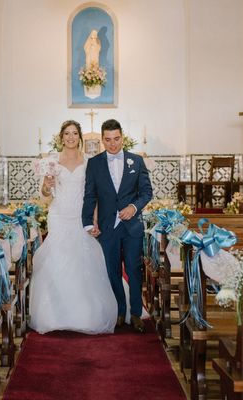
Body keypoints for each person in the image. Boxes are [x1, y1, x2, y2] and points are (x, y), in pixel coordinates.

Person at [29, 120, 118, 334]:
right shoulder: (51, 162)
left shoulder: (89, 161)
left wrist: (94, 219)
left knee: (83, 258)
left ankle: (86, 313)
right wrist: (46, 186)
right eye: (67, 133)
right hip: (58, 215)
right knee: (58, 258)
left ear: (80, 137)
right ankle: (55, 313)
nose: (71, 137)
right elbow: (44, 195)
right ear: (61, 137)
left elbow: (93, 194)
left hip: (81, 216)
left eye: (74, 133)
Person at [82, 119, 153, 333]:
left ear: (123, 137)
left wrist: (134, 206)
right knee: (112, 270)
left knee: (133, 269)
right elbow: (90, 195)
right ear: (102, 140)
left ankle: (136, 313)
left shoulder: (136, 161)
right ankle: (120, 311)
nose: (113, 144)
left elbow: (146, 192)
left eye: (116, 139)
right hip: (106, 227)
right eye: (108, 140)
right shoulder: (94, 163)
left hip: (131, 227)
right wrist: (87, 223)